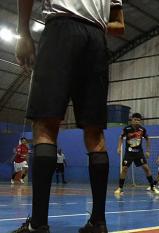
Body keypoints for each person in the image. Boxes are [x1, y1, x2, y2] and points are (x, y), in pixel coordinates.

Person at [13, 0, 124, 232]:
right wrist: (95, 18)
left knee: (45, 126)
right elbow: (119, 26)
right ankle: (98, 222)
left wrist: (23, 33)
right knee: (95, 133)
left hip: (61, 29)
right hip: (95, 39)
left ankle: (38, 225)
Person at [114, 113, 159, 195]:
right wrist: (119, 147)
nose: (137, 121)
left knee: (146, 168)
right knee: (124, 168)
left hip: (139, 152)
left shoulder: (142, 130)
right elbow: (121, 137)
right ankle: (120, 188)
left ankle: (152, 187)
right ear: (132, 120)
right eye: (135, 119)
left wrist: (148, 151)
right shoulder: (127, 129)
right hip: (129, 152)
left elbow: (147, 138)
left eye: (138, 120)